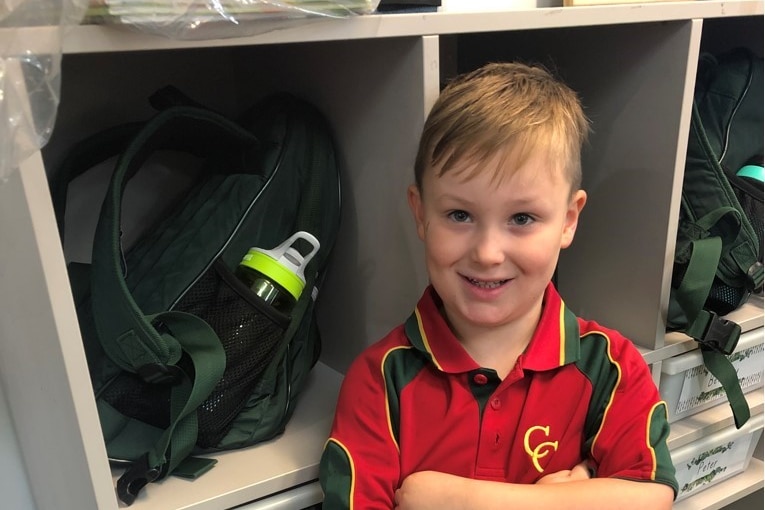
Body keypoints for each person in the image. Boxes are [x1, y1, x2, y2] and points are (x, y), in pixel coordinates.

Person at [318, 61, 678, 510]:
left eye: (522, 218)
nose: (488, 253)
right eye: (459, 215)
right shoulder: (380, 381)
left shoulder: (611, 365)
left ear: (568, 220)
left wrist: (452, 499)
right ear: (420, 213)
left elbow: (652, 497)